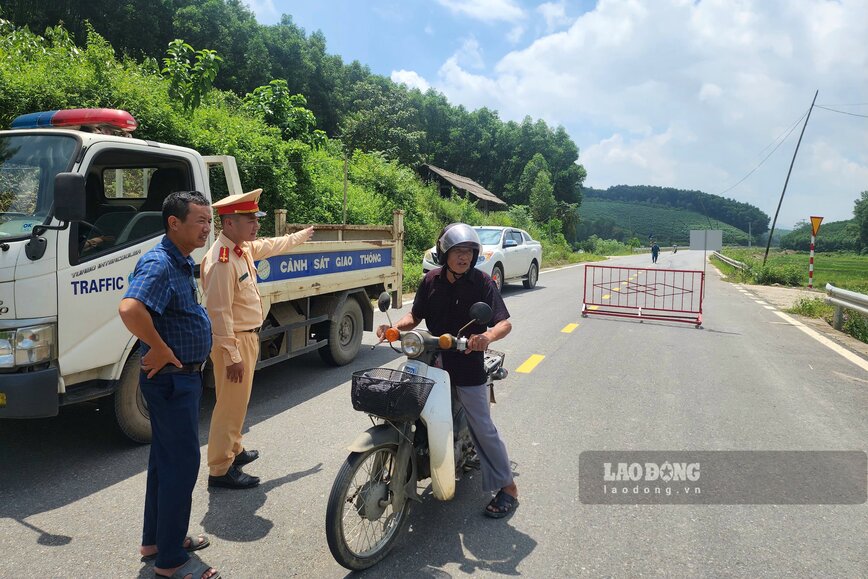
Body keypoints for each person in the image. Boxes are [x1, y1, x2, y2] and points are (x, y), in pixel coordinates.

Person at [376, 223, 519, 518]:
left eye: (468, 252)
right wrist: (394, 329)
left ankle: (507, 488)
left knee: (482, 426)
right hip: (429, 357)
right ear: (445, 253)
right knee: (402, 408)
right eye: (457, 252)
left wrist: (487, 338)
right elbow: (414, 316)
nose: (463, 257)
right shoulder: (431, 281)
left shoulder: (481, 282)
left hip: (466, 363)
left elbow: (504, 323)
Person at [118, 191, 220, 579]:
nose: (206, 229)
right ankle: (171, 561)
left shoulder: (180, 262)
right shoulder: (160, 263)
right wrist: (159, 348)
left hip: (179, 380)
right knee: (181, 464)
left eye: (209, 221)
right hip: (174, 381)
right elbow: (130, 307)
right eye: (200, 221)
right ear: (173, 223)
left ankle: (157, 541)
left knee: (164, 463)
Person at [202, 189, 314, 490]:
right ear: (228, 224)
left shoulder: (241, 249)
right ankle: (219, 469)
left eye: (256, 219)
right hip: (234, 342)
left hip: (246, 338)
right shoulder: (222, 261)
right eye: (249, 219)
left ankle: (234, 450)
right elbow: (219, 312)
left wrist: (302, 235)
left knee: (238, 404)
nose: (256, 225)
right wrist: (232, 355)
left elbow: (273, 244)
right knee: (229, 407)